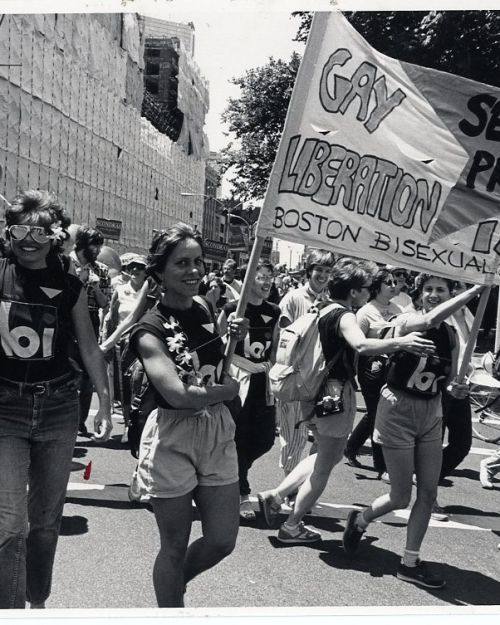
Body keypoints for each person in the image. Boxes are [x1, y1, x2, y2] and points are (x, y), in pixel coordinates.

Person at [257, 259, 436, 544]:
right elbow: (361, 346)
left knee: (325, 455)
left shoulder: (324, 307)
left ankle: (275, 497)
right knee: (324, 465)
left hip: (318, 391)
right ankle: (291, 525)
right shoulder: (345, 316)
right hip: (335, 394)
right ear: (354, 291)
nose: (370, 292)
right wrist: (402, 343)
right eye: (366, 288)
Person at [0, 190, 112, 609]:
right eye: (19, 229)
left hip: (59, 406)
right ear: (8, 232)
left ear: (54, 235)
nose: (28, 240)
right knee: (9, 523)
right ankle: (10, 613)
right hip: (5, 407)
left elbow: (89, 345)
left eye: (39, 231)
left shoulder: (70, 284)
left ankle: (37, 602)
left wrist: (104, 399)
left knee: (46, 522)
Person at [128, 223, 248, 607]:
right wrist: (227, 392)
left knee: (221, 540)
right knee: (174, 545)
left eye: (198, 261)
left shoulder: (203, 307)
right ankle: (171, 608)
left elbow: (211, 358)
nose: (194, 270)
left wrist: (235, 335)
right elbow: (178, 395)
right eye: (182, 263)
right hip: (172, 437)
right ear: (160, 272)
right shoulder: (148, 329)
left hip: (216, 431)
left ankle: (174, 585)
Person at [342, 274, 484, 590]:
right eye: (429, 290)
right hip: (397, 411)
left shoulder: (450, 335)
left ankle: (409, 562)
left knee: (429, 492)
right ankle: (361, 520)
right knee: (400, 495)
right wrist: (476, 289)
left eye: (441, 290)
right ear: (420, 295)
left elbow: (447, 379)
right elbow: (432, 317)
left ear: (450, 292)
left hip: (431, 412)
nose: (434, 295)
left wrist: (456, 389)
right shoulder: (408, 320)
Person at [218, 261, 280, 520]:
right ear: (247, 280)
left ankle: (237, 470)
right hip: (238, 377)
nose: (266, 282)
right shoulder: (233, 309)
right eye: (261, 276)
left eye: (270, 277)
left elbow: (274, 348)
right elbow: (216, 342)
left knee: (265, 439)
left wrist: (272, 373)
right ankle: (242, 493)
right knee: (238, 436)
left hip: (262, 378)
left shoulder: (274, 311)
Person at [276, 248, 336, 483]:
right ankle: (289, 484)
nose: (322, 275)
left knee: (325, 437)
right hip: (296, 376)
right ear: (309, 271)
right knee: (295, 437)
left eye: (327, 271)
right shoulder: (293, 298)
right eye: (319, 270)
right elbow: (283, 337)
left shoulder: (331, 302)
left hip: (323, 378)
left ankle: (305, 483)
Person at [344, 267, 402, 479]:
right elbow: (355, 345)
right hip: (371, 369)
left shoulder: (399, 309)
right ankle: (382, 466)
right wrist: (352, 376)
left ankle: (350, 447)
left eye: (395, 282)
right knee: (379, 415)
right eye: (389, 282)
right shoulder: (365, 312)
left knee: (376, 413)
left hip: (393, 368)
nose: (394, 286)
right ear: (377, 286)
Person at [69, 227, 112, 435]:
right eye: (95, 245)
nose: (98, 250)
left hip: (91, 318)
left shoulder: (101, 269)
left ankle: (79, 421)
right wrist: (77, 280)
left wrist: (94, 287)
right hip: (65, 319)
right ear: (83, 245)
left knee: (87, 376)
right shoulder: (64, 264)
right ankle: (64, 420)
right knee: (65, 370)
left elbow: (106, 304)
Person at [106, 254, 148, 439]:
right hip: (123, 343)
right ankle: (127, 426)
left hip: (144, 342)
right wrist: (107, 341)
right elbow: (111, 318)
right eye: (131, 267)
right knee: (124, 384)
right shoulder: (120, 290)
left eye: (139, 267)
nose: (134, 270)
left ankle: (139, 424)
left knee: (140, 383)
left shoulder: (149, 292)